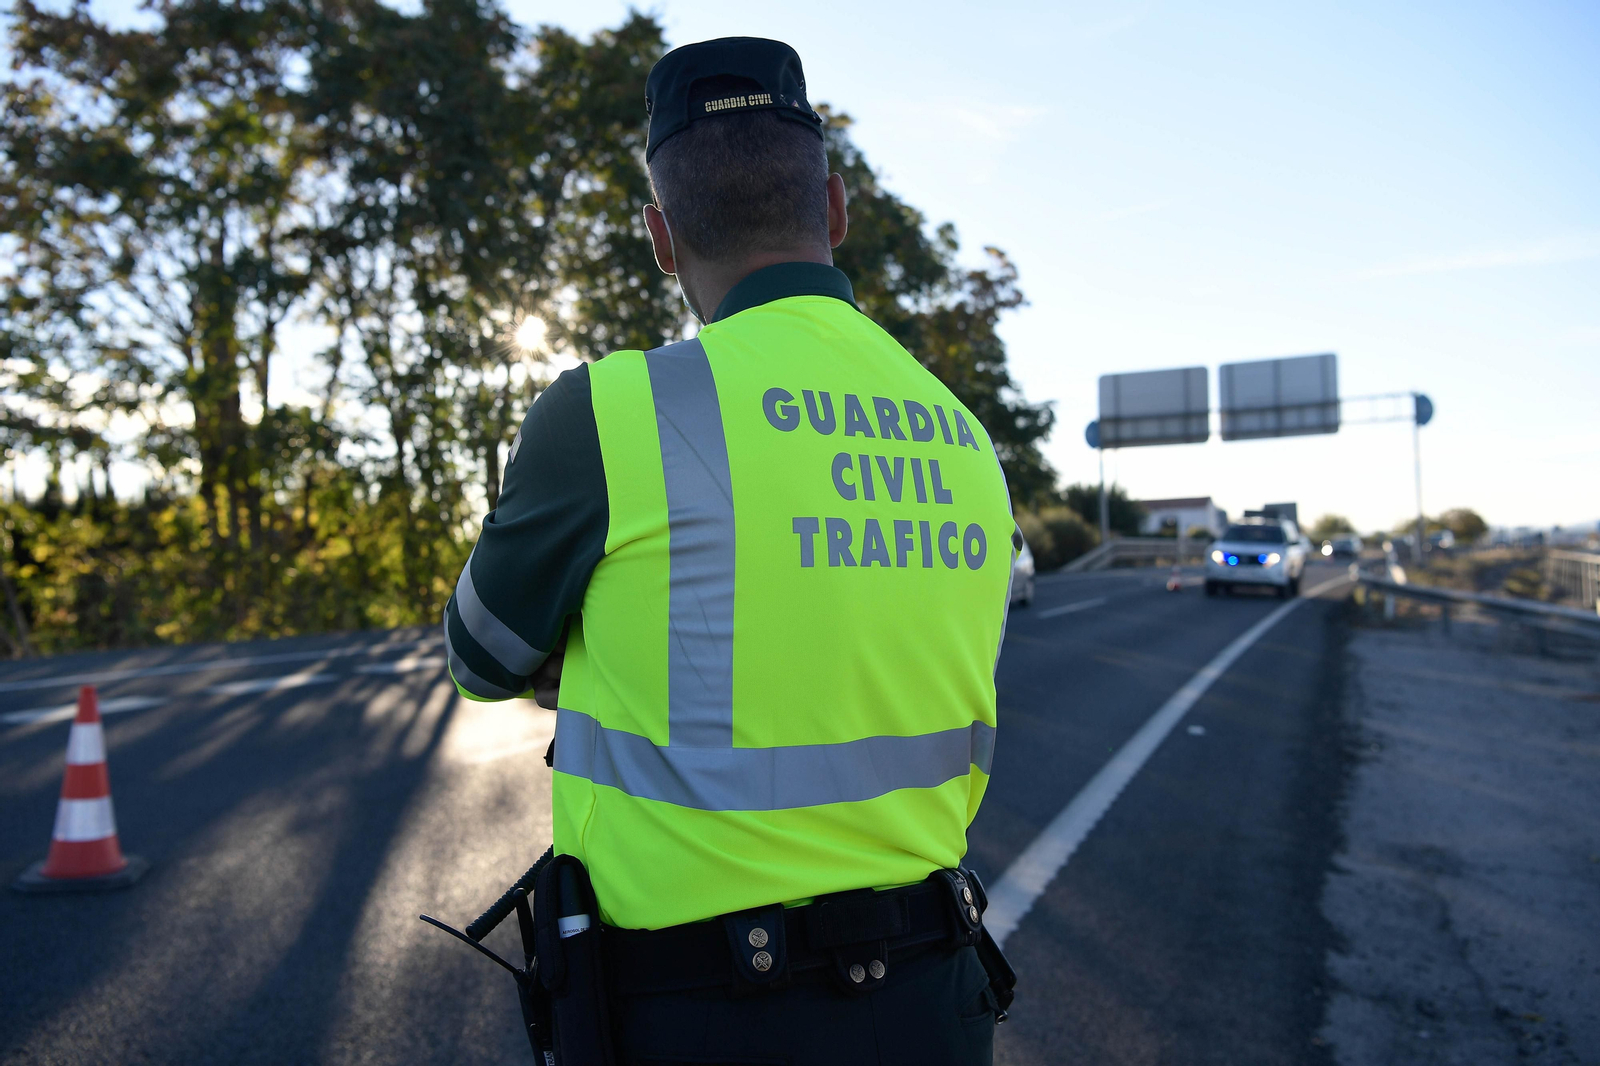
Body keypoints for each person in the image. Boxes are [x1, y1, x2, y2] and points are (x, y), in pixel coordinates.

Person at [444, 35, 1016, 1065]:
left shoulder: (610, 414)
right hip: (935, 1003)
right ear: (834, 209)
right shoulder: (961, 432)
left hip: (699, 1015)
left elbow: (480, 658)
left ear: (663, 238)